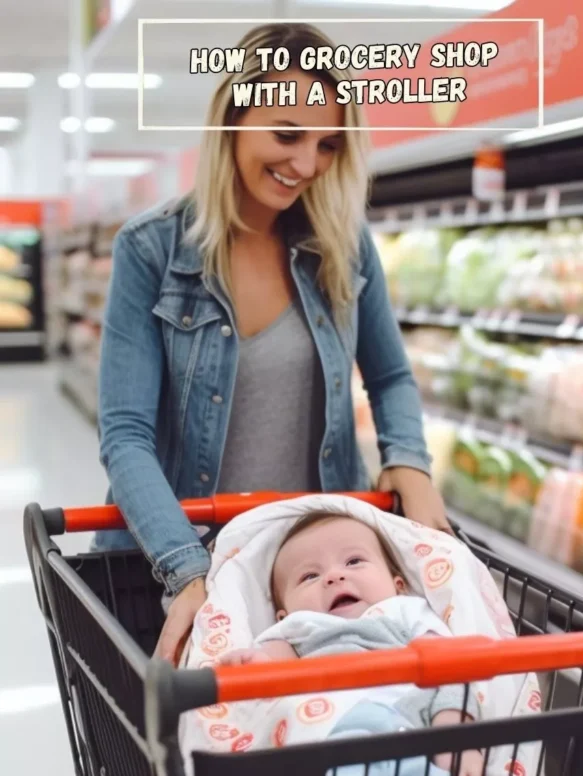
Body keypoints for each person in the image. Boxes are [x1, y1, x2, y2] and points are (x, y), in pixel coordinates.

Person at [94, 19, 452, 668]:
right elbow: (125, 434)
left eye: (327, 145)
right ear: (231, 117)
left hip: (310, 578)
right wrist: (188, 570)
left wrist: (409, 462)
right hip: (182, 564)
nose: (306, 164)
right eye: (287, 134)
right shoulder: (151, 249)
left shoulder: (339, 245)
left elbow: (391, 377)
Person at [216, 511, 506, 776]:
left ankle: (460, 766)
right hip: (341, 720)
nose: (335, 576)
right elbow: (274, 671)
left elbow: (444, 656)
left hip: (411, 714)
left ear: (397, 583)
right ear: (282, 613)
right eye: (310, 575)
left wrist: (450, 705)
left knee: (456, 678)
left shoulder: (404, 610)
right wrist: (251, 662)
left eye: (354, 561)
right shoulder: (298, 628)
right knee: (344, 758)